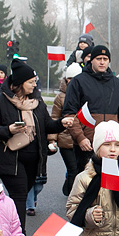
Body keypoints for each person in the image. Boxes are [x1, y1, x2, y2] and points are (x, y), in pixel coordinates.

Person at [0, 58, 64, 234]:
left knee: (17, 199)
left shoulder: (37, 101)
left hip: (33, 161)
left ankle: (5, 227)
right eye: (31, 82)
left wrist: (61, 124)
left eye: (34, 81)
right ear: (20, 83)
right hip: (10, 159)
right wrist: (8, 130)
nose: (34, 85)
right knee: (20, 196)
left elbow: (47, 125)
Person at [61, 45, 119, 173]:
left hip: (111, 147)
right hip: (86, 146)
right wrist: (80, 138)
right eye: (98, 58)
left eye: (105, 58)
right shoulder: (78, 82)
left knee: (110, 187)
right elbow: (70, 114)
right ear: (91, 60)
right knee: (85, 184)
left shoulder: (116, 83)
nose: (102, 62)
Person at [50, 63, 83, 196]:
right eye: (70, 79)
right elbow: (54, 118)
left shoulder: (85, 93)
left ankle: (68, 189)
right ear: (66, 79)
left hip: (81, 139)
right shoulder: (60, 98)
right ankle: (72, 197)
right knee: (73, 170)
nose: (73, 82)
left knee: (79, 170)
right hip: (65, 140)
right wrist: (52, 139)